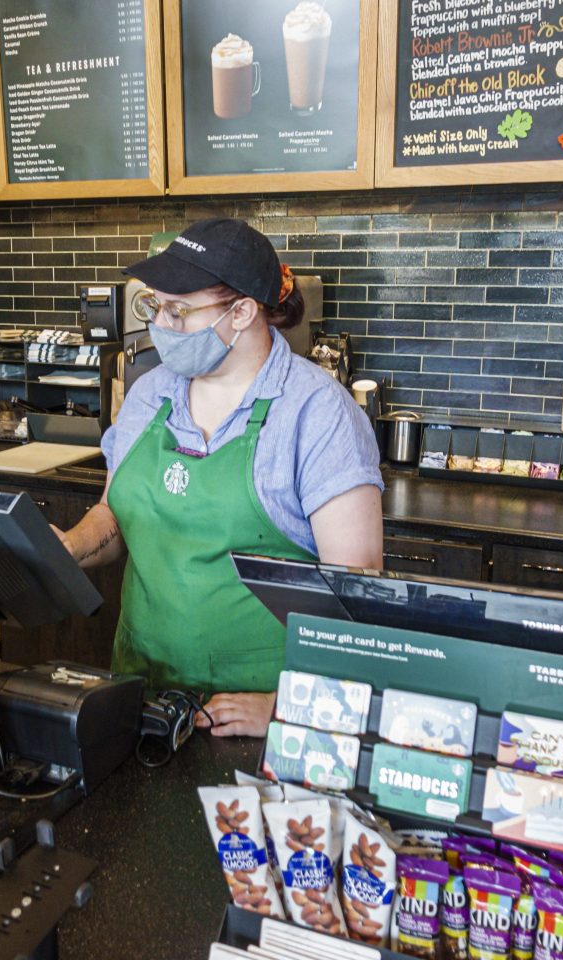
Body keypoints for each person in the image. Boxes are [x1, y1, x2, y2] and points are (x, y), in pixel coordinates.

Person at [56, 218, 383, 738]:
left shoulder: (318, 413)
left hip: (248, 715)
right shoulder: (149, 395)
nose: (160, 323)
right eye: (153, 306)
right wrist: (70, 546)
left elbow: (356, 588)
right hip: (138, 692)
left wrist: (285, 708)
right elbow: (116, 514)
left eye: (178, 310)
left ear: (243, 312)